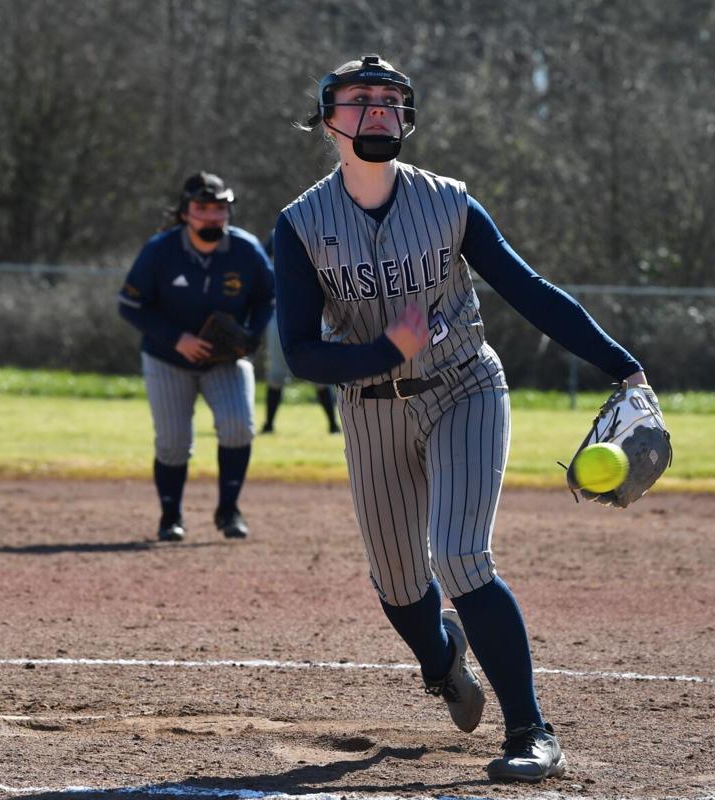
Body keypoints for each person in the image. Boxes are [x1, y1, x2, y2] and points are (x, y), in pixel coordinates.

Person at [272, 55, 650, 783]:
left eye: (391, 99)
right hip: (370, 409)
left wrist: (622, 364)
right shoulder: (301, 225)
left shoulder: (449, 203)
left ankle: (531, 732)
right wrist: (384, 350)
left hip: (465, 389)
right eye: (361, 98)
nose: (378, 108)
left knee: (460, 555)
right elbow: (301, 354)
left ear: (406, 117)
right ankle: (441, 659)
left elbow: (529, 291)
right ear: (329, 120)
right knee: (398, 582)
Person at [118, 172, 275, 542]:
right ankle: (170, 516)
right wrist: (177, 338)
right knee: (173, 442)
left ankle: (228, 510)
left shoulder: (245, 250)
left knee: (238, 425)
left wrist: (251, 334)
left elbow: (267, 297)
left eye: (219, 208)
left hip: (225, 359)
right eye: (202, 208)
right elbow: (130, 306)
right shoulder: (160, 250)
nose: (211, 216)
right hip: (167, 358)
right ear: (185, 213)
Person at [259, 233, 340, 435]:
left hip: (314, 312)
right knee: (276, 373)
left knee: (320, 373)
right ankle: (269, 425)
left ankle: (333, 425)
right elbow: (261, 260)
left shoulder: (321, 233)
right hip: (281, 314)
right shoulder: (280, 232)